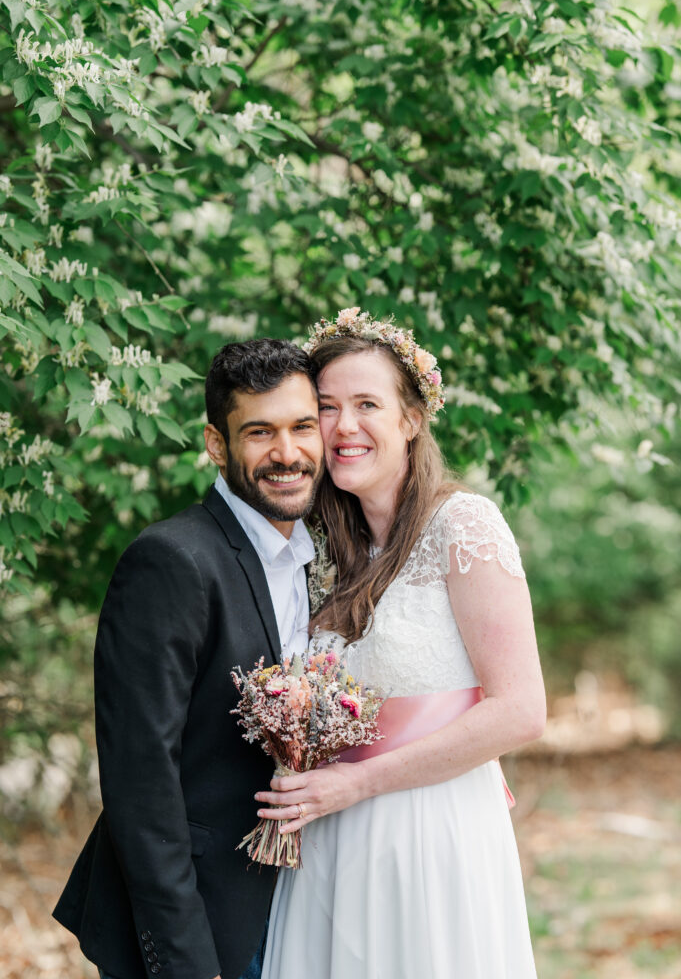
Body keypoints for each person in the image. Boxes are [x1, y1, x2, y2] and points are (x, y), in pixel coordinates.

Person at [257, 309, 546, 979]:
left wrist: (358, 782)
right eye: (326, 407)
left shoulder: (462, 525)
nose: (344, 426)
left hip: (429, 833)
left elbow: (521, 711)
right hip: (332, 836)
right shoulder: (326, 552)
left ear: (411, 419)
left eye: (367, 404)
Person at [53, 339, 324, 979]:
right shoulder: (172, 560)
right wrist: (185, 965)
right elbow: (140, 782)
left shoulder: (314, 559)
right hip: (200, 924)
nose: (287, 453)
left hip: (296, 909)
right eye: (259, 432)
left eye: (302, 427)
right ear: (216, 444)